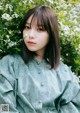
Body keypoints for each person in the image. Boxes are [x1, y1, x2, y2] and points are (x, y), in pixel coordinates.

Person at [0, 5, 80, 113]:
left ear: (51, 34)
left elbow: (72, 108)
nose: (31, 35)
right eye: (27, 27)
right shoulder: (9, 64)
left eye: (40, 29)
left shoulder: (64, 73)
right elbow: (4, 107)